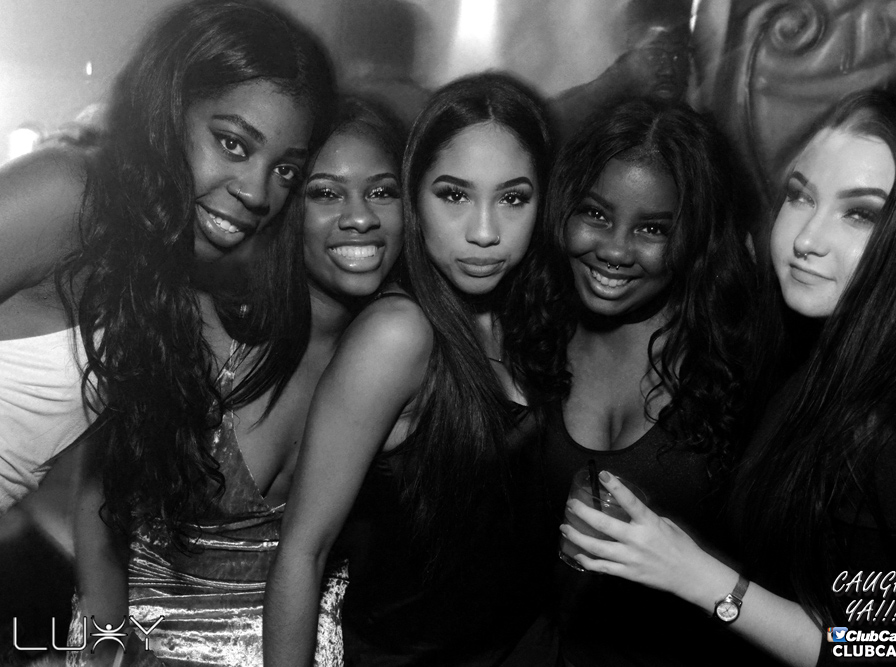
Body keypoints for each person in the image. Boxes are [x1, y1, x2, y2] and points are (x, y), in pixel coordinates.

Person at [559, 91, 896, 665]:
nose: (806, 239)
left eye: (860, 213)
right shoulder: (821, 357)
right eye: (800, 195)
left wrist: (696, 575)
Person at [46, 0, 341, 663]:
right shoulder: (70, 195)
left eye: (286, 170)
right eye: (233, 143)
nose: (258, 192)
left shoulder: (160, 282)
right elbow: (98, 506)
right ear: (168, 110)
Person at [264, 72, 559, 667]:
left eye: (512, 198)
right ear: (414, 197)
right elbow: (302, 553)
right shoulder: (398, 333)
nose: (484, 232)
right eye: (454, 195)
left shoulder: (532, 320)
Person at [533, 97, 756, 665]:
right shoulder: (529, 331)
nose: (614, 250)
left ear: (695, 238)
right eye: (596, 214)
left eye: (653, 228)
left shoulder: (740, 359)